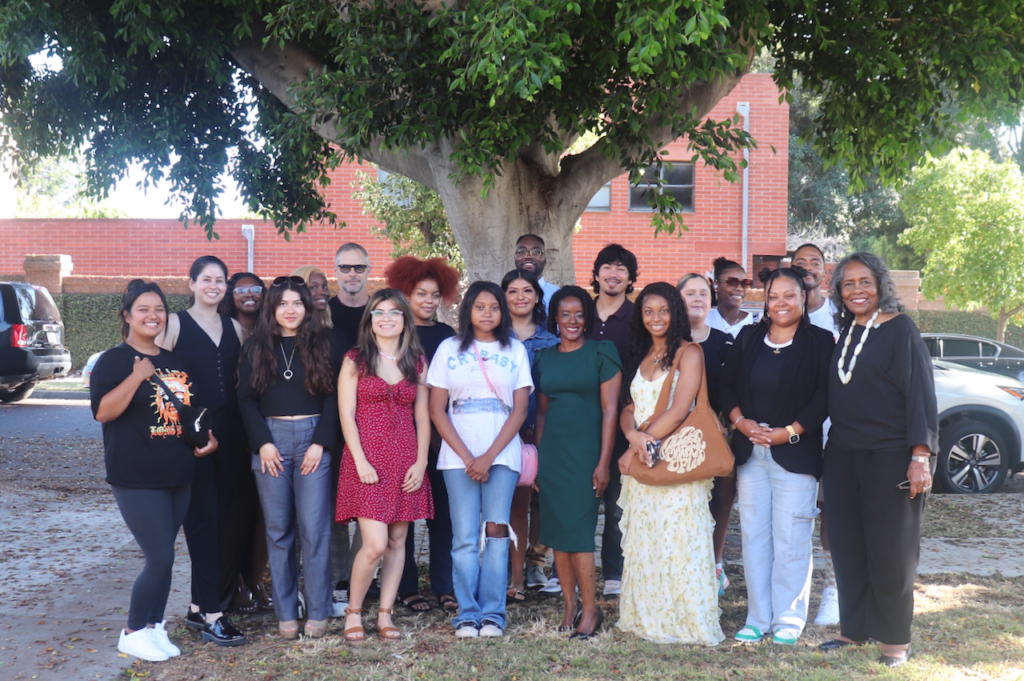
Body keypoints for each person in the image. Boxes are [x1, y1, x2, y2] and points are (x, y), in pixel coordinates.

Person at [817, 252, 937, 668]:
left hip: (891, 458)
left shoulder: (901, 329)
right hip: (844, 457)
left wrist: (920, 456)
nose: (856, 290)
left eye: (864, 282)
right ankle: (854, 629)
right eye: (847, 284)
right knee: (849, 546)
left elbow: (921, 395)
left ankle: (894, 640)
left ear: (881, 284)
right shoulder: (848, 329)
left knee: (892, 552)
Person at [91, 280, 218, 662]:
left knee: (168, 556)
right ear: (127, 316)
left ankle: (153, 626)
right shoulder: (113, 361)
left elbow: (184, 412)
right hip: (136, 476)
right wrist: (137, 375)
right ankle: (132, 631)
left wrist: (203, 439)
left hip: (179, 471)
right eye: (143, 309)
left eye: (159, 309)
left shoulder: (175, 361)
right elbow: (103, 412)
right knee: (159, 556)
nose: (153, 316)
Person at [720, 267, 835, 645]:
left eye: (789, 295)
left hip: (795, 454)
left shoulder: (821, 341)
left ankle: (788, 618)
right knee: (754, 536)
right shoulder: (749, 336)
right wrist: (740, 422)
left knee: (791, 537)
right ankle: (758, 616)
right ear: (764, 301)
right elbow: (726, 386)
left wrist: (790, 432)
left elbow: (824, 396)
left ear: (803, 298)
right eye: (773, 296)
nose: (781, 303)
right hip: (751, 453)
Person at [616, 282, 724, 645]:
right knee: (648, 539)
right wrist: (632, 437)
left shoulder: (689, 352)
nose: (656, 318)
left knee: (678, 539)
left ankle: (684, 622)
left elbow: (680, 410)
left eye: (663, 310)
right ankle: (646, 617)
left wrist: (635, 448)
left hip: (675, 461)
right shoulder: (643, 354)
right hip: (643, 461)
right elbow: (629, 407)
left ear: (675, 312)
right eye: (648, 311)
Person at [238, 276, 344, 639]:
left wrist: (322, 443)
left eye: (297, 302)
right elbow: (246, 400)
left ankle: (318, 610)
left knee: (315, 529)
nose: (290, 309)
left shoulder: (326, 343)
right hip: (271, 441)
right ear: (273, 308)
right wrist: (262, 443)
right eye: (282, 303)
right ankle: (285, 612)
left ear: (308, 306)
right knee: (278, 529)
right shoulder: (255, 346)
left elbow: (335, 398)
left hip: (314, 440)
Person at [427, 281, 533, 638]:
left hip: (501, 453)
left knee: (496, 530)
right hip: (458, 456)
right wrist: (469, 456)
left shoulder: (515, 350)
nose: (487, 313)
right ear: (467, 310)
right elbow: (436, 410)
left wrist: (488, 456)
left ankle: (493, 614)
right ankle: (467, 614)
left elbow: (519, 411)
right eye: (480, 307)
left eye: (494, 307)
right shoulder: (448, 348)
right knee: (465, 537)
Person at [157, 256, 247, 646]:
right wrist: (183, 434)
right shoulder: (174, 323)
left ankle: (198, 606)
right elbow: (159, 381)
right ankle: (213, 613)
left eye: (220, 280)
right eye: (206, 279)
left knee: (223, 521)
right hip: (192, 439)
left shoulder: (236, 328)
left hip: (233, 436)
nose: (214, 285)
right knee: (203, 522)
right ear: (191, 282)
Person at [337, 289, 434, 642]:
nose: (387, 318)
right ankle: (353, 612)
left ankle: (385, 614)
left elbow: (423, 416)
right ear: (370, 320)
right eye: (379, 312)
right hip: (368, 459)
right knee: (375, 544)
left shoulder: (417, 360)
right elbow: (346, 414)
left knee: (397, 540)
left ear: (405, 319)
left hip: (407, 458)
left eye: (394, 312)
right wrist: (360, 459)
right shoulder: (356, 359)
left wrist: (421, 461)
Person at [532, 286, 621, 637]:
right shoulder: (545, 357)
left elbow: (610, 410)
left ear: (588, 317)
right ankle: (569, 605)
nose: (572, 320)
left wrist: (603, 463)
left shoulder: (603, 352)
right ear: (555, 317)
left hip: (587, 456)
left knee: (580, 535)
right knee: (557, 535)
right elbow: (540, 414)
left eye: (579, 313)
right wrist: (538, 461)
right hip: (553, 455)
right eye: (565, 313)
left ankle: (591, 608)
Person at [385, 255, 461, 614]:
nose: (429, 301)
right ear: (406, 293)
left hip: (442, 437)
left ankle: (446, 586)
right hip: (399, 437)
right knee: (402, 515)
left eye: (434, 295)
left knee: (443, 515)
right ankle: (407, 587)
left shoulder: (448, 337)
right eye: (421, 294)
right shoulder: (393, 333)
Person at [791, 242, 841, 627]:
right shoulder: (779, 313)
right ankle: (791, 589)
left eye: (815, 262)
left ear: (824, 272)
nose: (807, 268)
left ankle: (833, 589)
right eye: (799, 262)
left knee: (831, 512)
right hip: (791, 436)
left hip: (834, 433)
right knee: (793, 516)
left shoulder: (840, 316)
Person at [501, 268, 559, 601]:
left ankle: (535, 561)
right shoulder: (493, 338)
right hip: (502, 431)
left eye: (527, 291)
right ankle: (512, 571)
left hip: (541, 430)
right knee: (511, 503)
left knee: (540, 500)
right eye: (512, 291)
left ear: (538, 297)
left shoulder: (551, 341)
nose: (520, 297)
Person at [676, 272, 734, 596]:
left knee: (720, 498)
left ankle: (715, 563)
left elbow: (731, 391)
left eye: (703, 293)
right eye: (689, 293)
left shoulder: (725, 342)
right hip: (674, 437)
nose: (697, 298)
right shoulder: (667, 342)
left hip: (715, 435)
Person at [219, 271, 272, 614]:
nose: (249, 295)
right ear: (230, 295)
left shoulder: (273, 329)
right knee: (234, 512)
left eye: (255, 288)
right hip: (231, 429)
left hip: (270, 429)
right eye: (241, 290)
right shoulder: (221, 329)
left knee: (264, 513)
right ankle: (234, 581)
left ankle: (256, 578)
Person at [586, 244, 637, 597]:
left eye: (621, 268)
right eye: (607, 267)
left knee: (618, 504)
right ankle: (574, 568)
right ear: (597, 273)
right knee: (581, 500)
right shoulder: (579, 313)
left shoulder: (638, 317)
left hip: (624, 421)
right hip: (581, 421)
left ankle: (614, 573)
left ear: (631, 277)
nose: (613, 274)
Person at [326, 243, 370, 605]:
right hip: (332, 420)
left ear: (368, 269)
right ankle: (338, 578)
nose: (352, 273)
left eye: (358, 267)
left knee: (373, 502)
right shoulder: (323, 313)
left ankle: (361, 574)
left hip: (377, 421)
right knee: (334, 506)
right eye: (345, 267)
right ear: (336, 271)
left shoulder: (381, 310)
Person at [707, 257, 758, 337]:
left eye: (745, 283)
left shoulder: (757, 322)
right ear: (716, 285)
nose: (740, 288)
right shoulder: (704, 321)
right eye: (732, 282)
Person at [514, 234, 560, 303]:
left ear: (545, 260)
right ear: (515, 258)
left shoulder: (558, 296)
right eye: (522, 252)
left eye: (536, 252)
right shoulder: (504, 296)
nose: (528, 257)